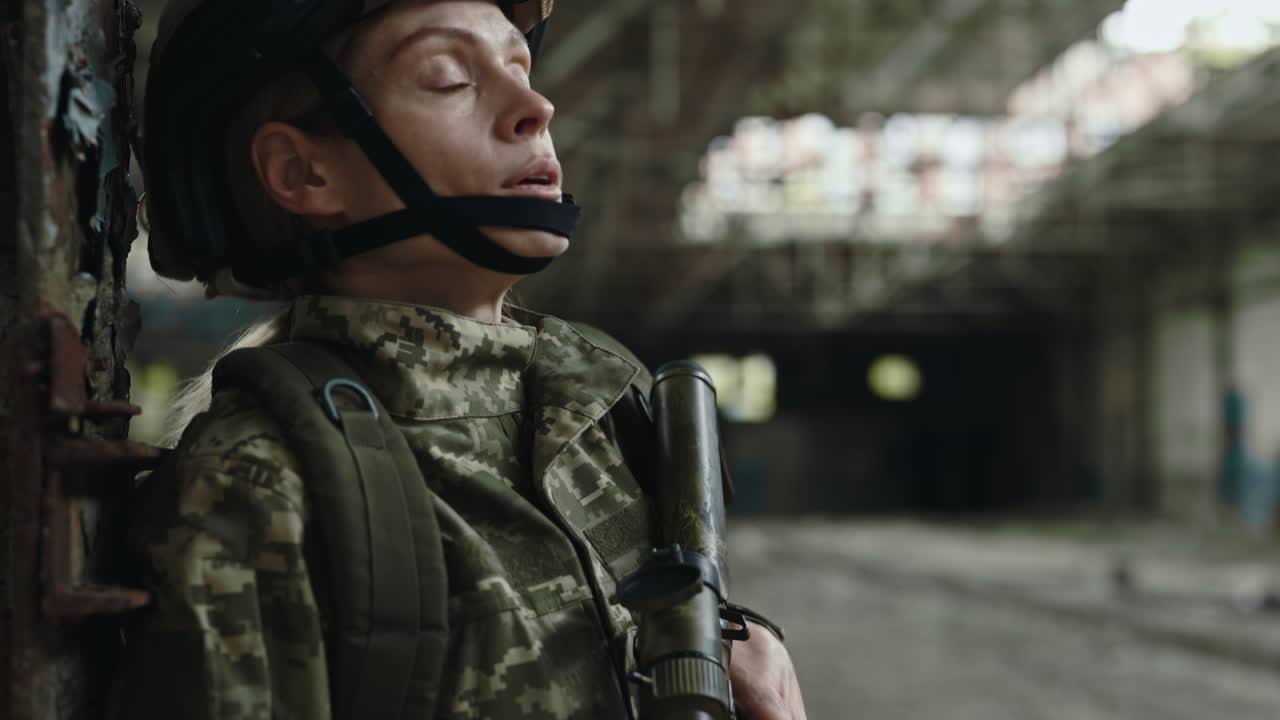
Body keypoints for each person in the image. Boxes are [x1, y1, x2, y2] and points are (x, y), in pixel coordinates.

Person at [113, 0, 807, 718]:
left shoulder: (604, 398)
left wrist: (734, 637)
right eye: (449, 78)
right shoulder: (257, 485)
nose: (535, 107)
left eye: (519, 68)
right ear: (303, 172)